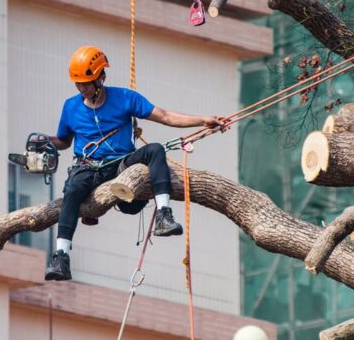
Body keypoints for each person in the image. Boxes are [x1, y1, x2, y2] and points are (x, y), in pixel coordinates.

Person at [44, 45, 224, 281]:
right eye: (78, 83)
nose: (81, 88)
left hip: (121, 164)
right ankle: (61, 257)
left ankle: (164, 215)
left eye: (86, 83)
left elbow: (166, 116)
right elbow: (64, 141)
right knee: (73, 190)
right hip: (88, 167)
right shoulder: (71, 107)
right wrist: (44, 141)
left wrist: (202, 120)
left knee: (155, 150)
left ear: (101, 78)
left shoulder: (125, 98)